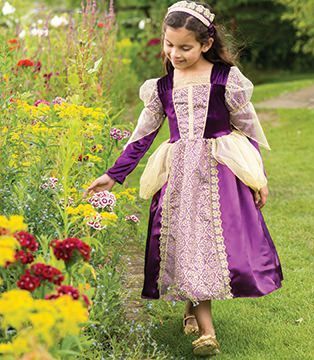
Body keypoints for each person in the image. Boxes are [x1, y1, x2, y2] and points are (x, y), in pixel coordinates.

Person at [83, 0, 284, 356]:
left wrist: (258, 177)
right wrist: (113, 175)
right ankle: (205, 326)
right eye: (169, 44)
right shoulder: (162, 87)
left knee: (208, 245)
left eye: (185, 47)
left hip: (220, 173)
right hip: (180, 178)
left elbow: (248, 130)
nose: (175, 53)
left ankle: (200, 322)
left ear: (206, 44)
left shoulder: (226, 80)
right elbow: (142, 136)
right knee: (189, 244)